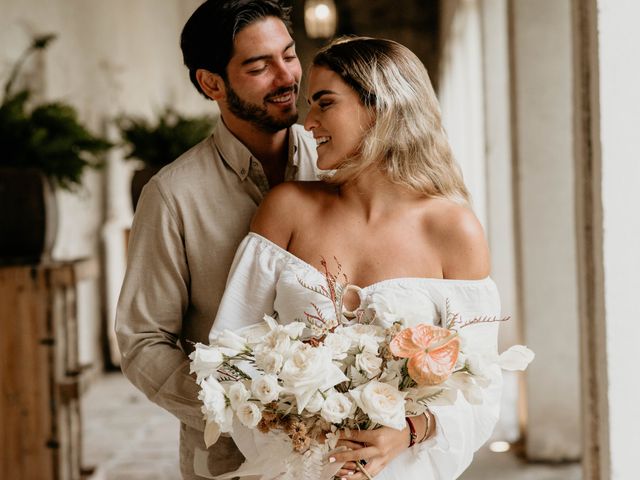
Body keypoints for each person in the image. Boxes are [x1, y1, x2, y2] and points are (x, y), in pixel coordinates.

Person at [210, 37, 503, 480]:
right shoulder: (286, 208)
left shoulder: (453, 230)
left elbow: (481, 390)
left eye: (324, 103)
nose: (307, 123)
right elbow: (229, 354)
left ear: (382, 107)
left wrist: (405, 432)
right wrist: (304, 444)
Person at [115, 1, 318, 478]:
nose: (287, 76)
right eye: (258, 65)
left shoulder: (340, 164)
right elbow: (143, 341)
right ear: (212, 83)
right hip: (230, 461)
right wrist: (239, 413)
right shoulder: (170, 195)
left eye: (288, 55)